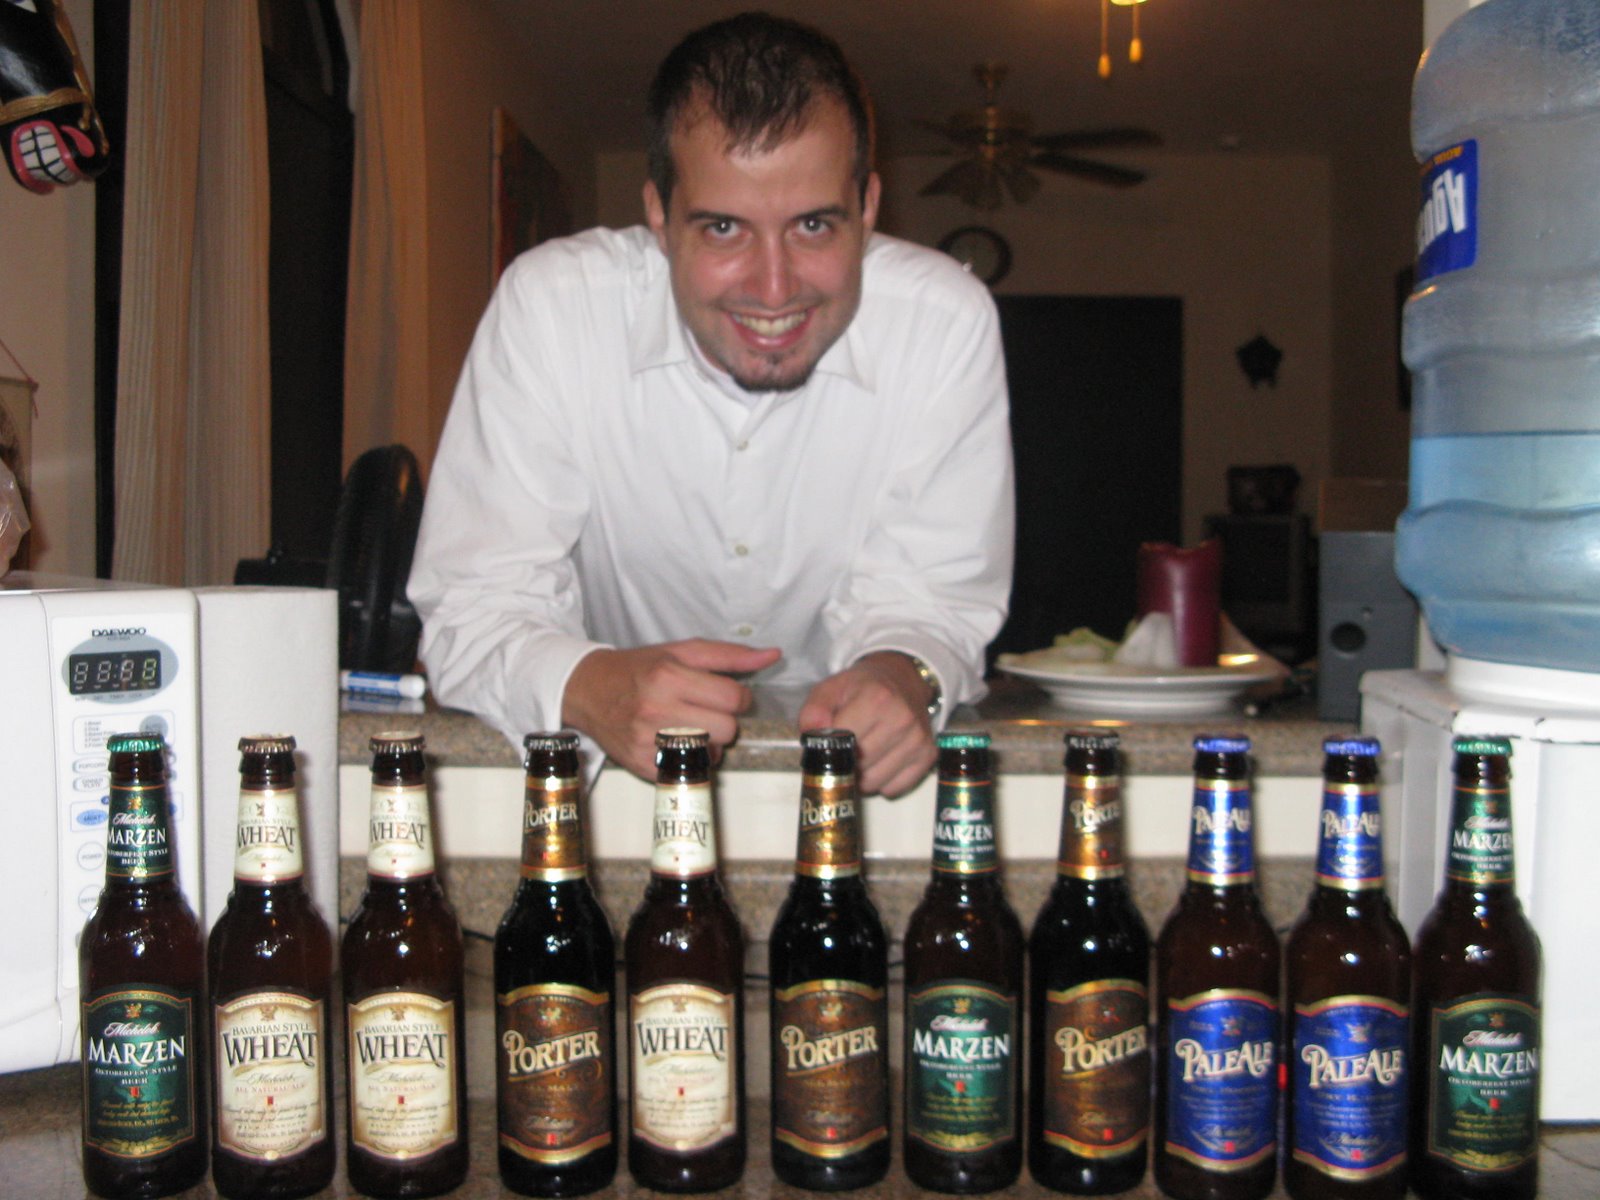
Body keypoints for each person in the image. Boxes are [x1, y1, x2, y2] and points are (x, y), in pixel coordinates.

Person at [407, 12, 1013, 797]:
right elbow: (474, 602)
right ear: (659, 216)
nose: (774, 287)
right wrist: (590, 685)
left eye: (813, 225)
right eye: (724, 227)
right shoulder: (553, 308)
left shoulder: (944, 323)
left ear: (867, 207)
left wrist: (903, 675)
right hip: (608, 786)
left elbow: (932, 598)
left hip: (853, 798)